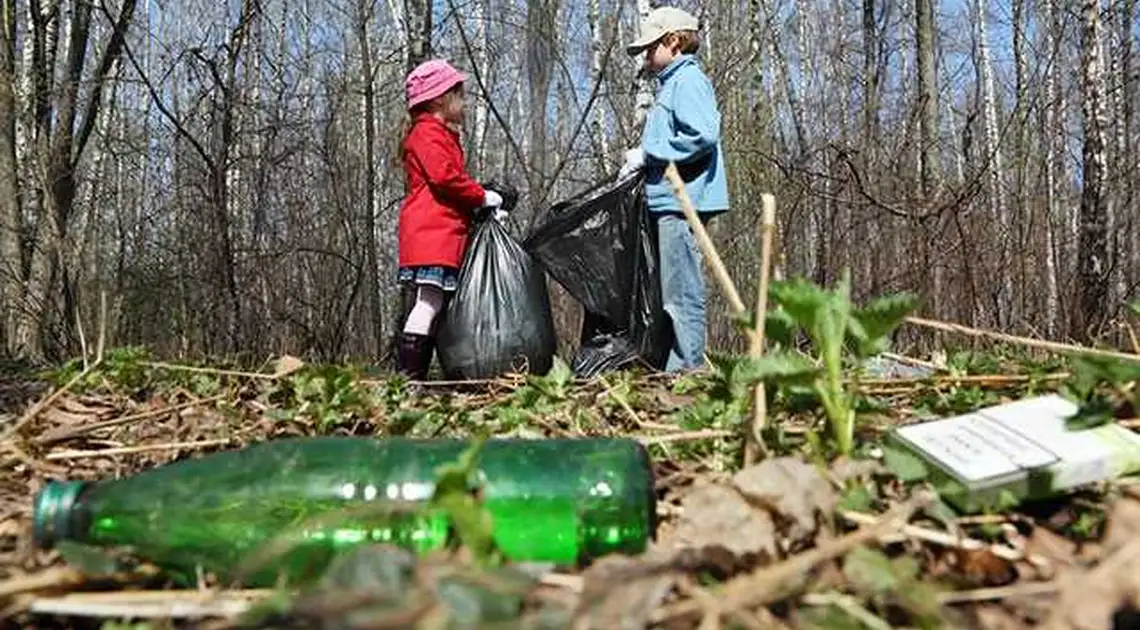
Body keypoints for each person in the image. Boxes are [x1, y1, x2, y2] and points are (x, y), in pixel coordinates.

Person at [619, 7, 729, 372]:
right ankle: (675, 365)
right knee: (671, 290)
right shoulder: (674, 83)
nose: (647, 59)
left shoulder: (688, 82)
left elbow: (703, 135)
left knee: (682, 292)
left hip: (685, 202)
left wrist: (648, 154)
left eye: (651, 49)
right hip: (671, 200)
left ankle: (686, 371)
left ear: (674, 42)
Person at [396, 59, 508, 380]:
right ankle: (408, 380)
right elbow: (445, 178)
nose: (465, 102)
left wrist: (478, 205)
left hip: (439, 235)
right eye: (459, 95)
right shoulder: (426, 135)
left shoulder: (437, 134)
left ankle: (415, 378)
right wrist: (481, 196)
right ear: (438, 100)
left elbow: (447, 182)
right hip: (432, 236)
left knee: (433, 305)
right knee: (428, 304)